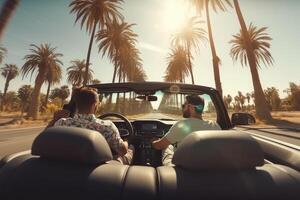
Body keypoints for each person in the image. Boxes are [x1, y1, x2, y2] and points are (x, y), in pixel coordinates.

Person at [47, 87, 134, 165]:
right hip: (99, 171)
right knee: (130, 150)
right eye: (98, 103)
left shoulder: (61, 123)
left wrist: (54, 120)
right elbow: (122, 151)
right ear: (94, 105)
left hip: (67, 166)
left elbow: (45, 138)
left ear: (77, 104)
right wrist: (126, 141)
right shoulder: (107, 127)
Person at [152, 95, 221, 166]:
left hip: (182, 170)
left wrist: (153, 142)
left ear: (191, 107)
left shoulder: (182, 125)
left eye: (183, 106)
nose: (182, 109)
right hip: (208, 168)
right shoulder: (214, 125)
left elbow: (159, 146)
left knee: (168, 147)